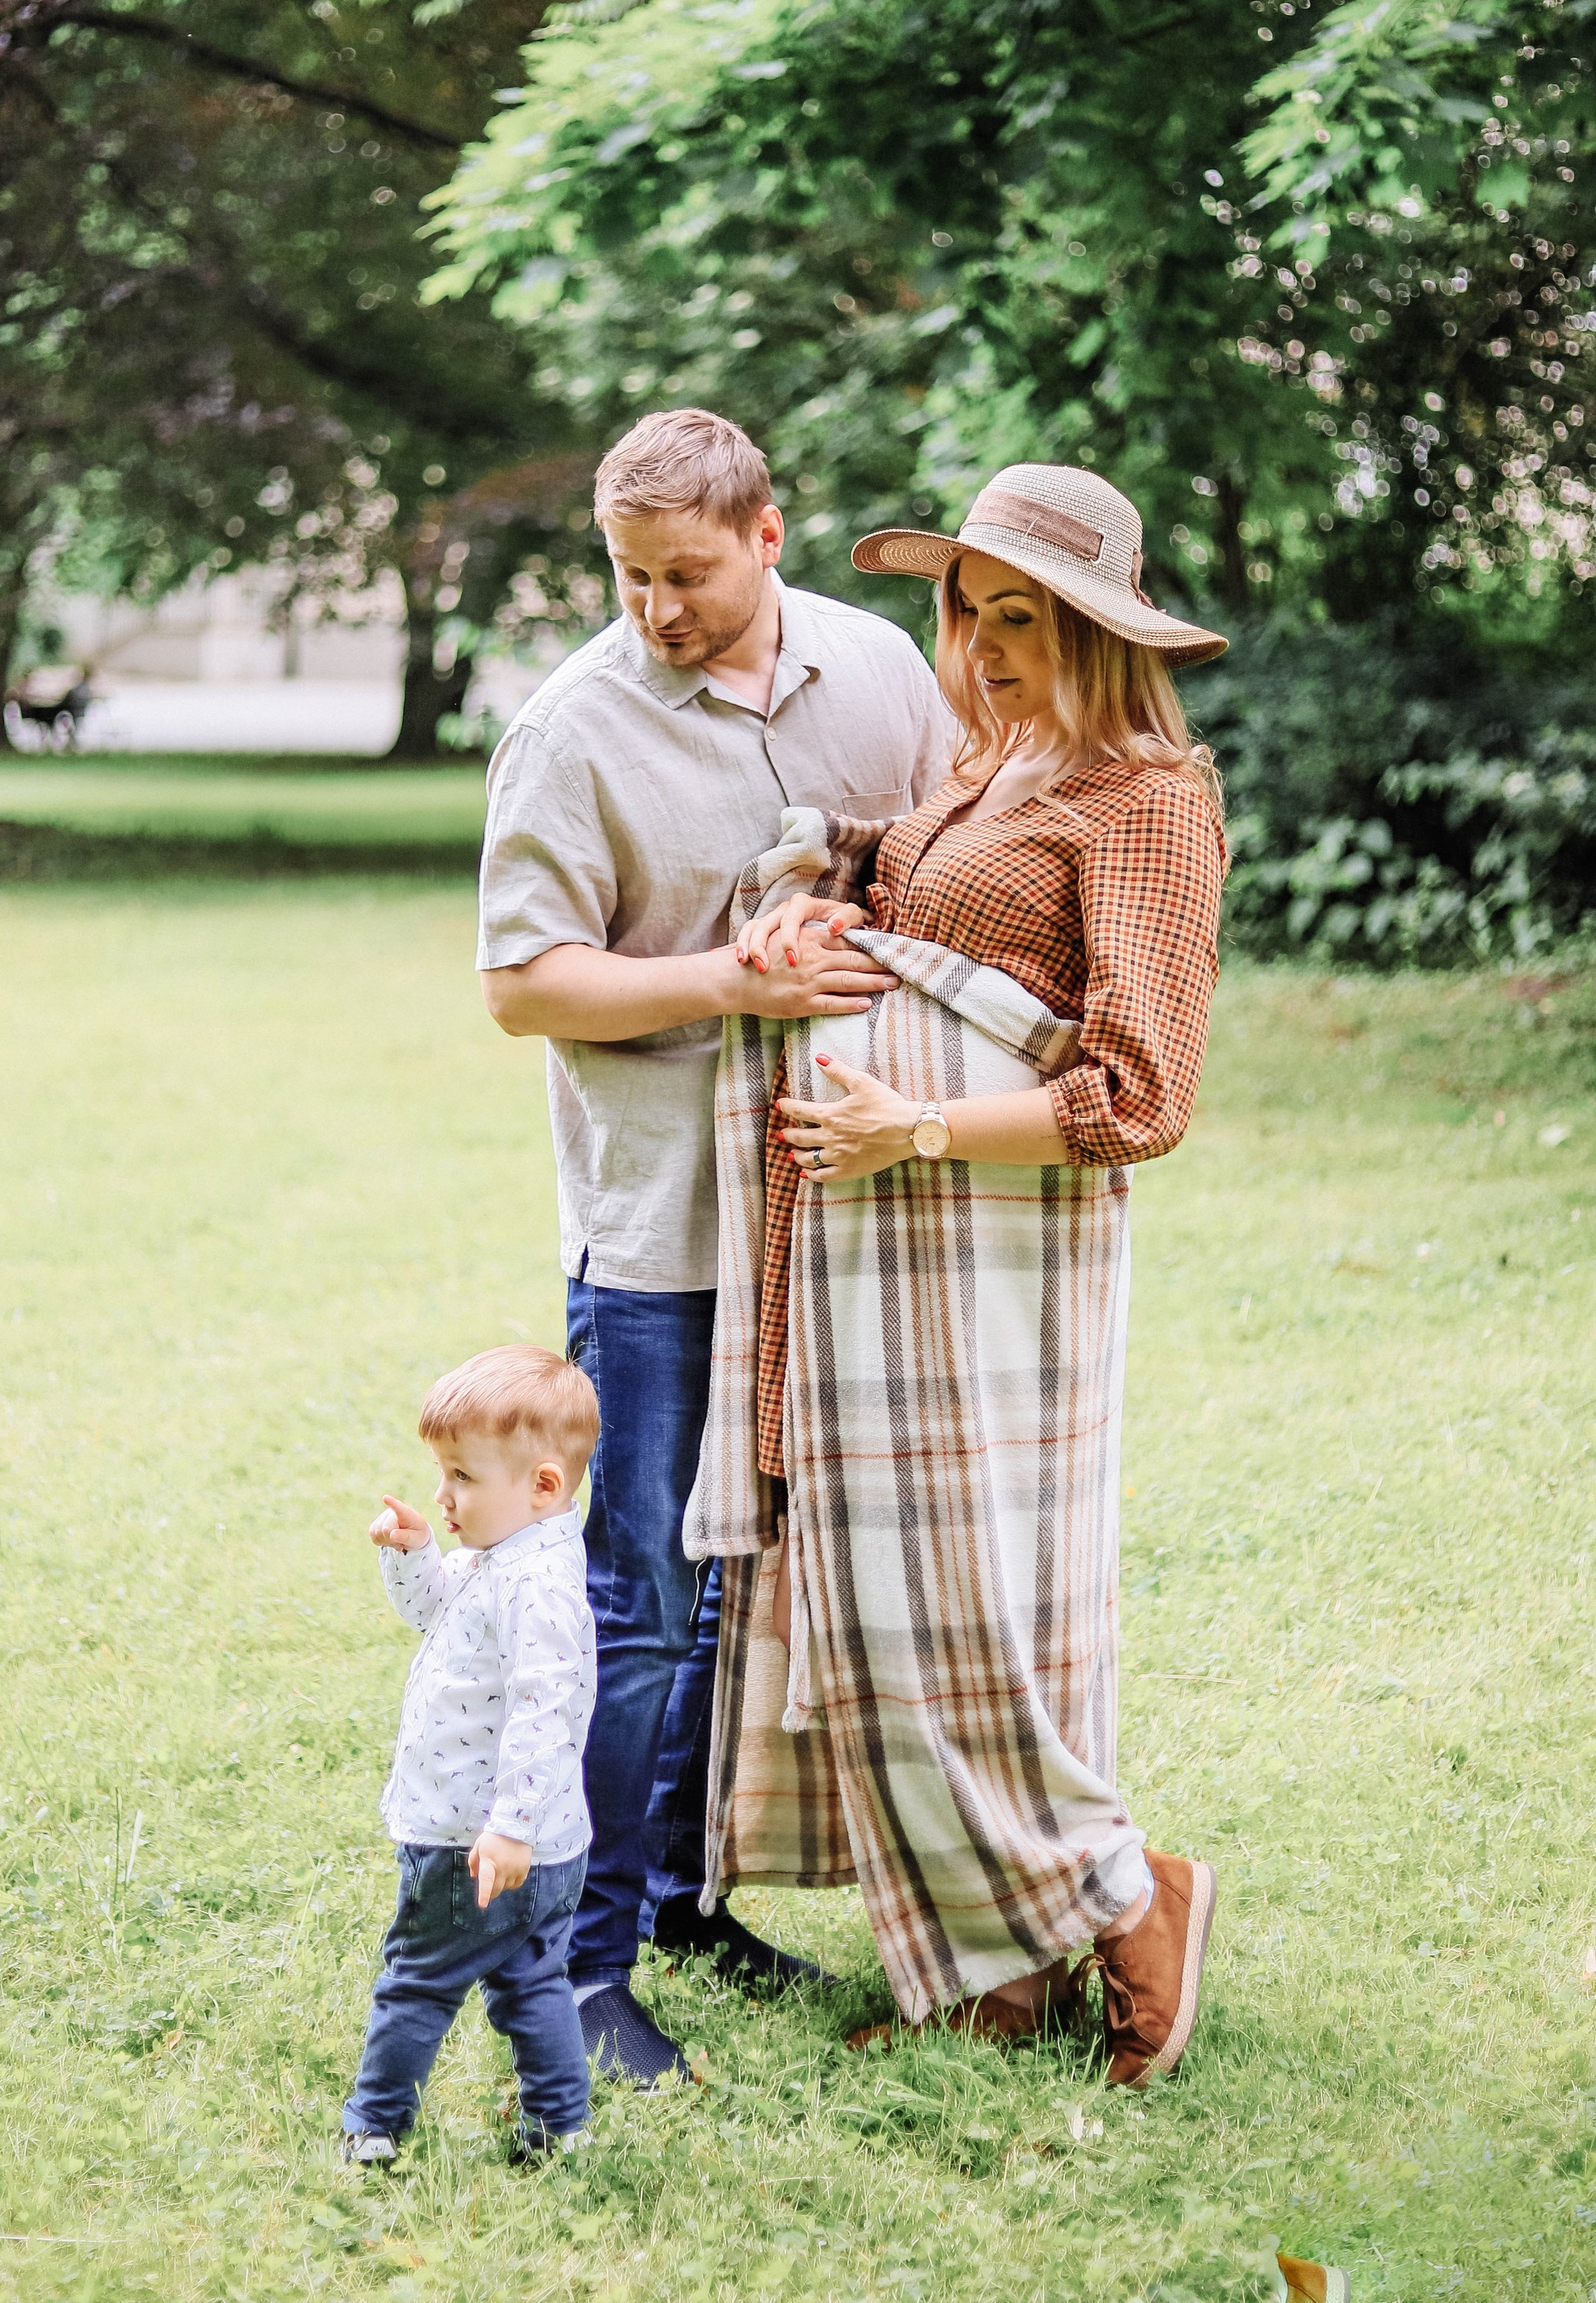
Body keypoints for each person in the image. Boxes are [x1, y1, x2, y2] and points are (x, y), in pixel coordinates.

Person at [688, 462, 1228, 2088]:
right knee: (880, 1593)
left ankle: (1133, 1898)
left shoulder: (1146, 795)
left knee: (967, 1608)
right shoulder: (988, 766)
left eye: (1022, 620)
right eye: (968, 614)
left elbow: (1141, 1094)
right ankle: (999, 1965)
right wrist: (819, 905)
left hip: (995, 1254)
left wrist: (913, 1124)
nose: (983, 651)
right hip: (882, 1249)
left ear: (1097, 632)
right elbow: (913, 900)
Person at [478, 409, 952, 2084]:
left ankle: (680, 1900)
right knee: (639, 1602)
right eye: (629, 577)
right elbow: (521, 984)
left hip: (837, 1214)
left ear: (766, 534)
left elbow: (943, 869)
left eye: (685, 573)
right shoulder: (568, 730)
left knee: (748, 1588)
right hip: (660, 1233)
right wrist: (728, 978)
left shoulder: (881, 668)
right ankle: (579, 1967)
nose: (655, 609)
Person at [341, 1345, 600, 2166]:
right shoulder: (509, 1554)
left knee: (418, 1981)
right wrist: (413, 1551)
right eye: (440, 1473)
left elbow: (544, 1713)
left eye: (461, 1476)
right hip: (537, 1843)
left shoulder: (533, 1587)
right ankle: (559, 2127)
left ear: (542, 1485)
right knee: (531, 1982)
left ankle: (373, 2129)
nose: (443, 1494)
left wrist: (509, 1826)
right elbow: (432, 1610)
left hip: (474, 1842)